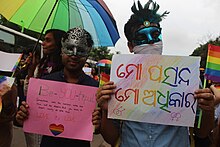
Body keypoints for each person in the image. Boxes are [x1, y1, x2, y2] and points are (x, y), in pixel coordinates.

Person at [96, 1, 215, 147]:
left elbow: (202, 133)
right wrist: (104, 109)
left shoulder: (186, 79)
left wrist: (208, 110)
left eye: (155, 34)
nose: (151, 41)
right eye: (142, 37)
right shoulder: (118, 81)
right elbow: (111, 138)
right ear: (131, 46)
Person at [15, 27, 100, 147]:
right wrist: (21, 116)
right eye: (70, 49)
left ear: (87, 54)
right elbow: (20, 119)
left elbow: (98, 128)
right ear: (62, 51)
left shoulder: (95, 89)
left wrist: (98, 123)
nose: (74, 55)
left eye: (80, 50)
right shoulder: (45, 83)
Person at [18, 29, 66, 147]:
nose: (43, 43)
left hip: (52, 125)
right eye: (44, 39)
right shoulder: (41, 65)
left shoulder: (64, 69)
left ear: (59, 43)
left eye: (48, 40)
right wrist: (31, 70)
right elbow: (28, 93)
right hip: (34, 121)